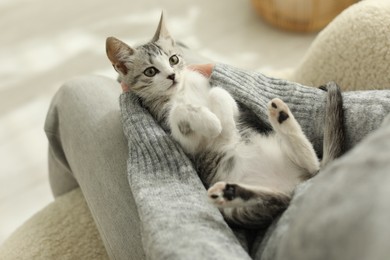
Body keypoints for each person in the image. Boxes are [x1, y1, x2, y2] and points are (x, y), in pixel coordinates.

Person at [44, 1, 390, 259]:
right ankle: (78, 198)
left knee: (74, 94)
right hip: (299, 175)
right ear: (124, 67)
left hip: (257, 218)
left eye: (169, 64)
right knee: (189, 60)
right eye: (151, 72)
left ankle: (73, 202)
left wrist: (154, 153)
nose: (169, 72)